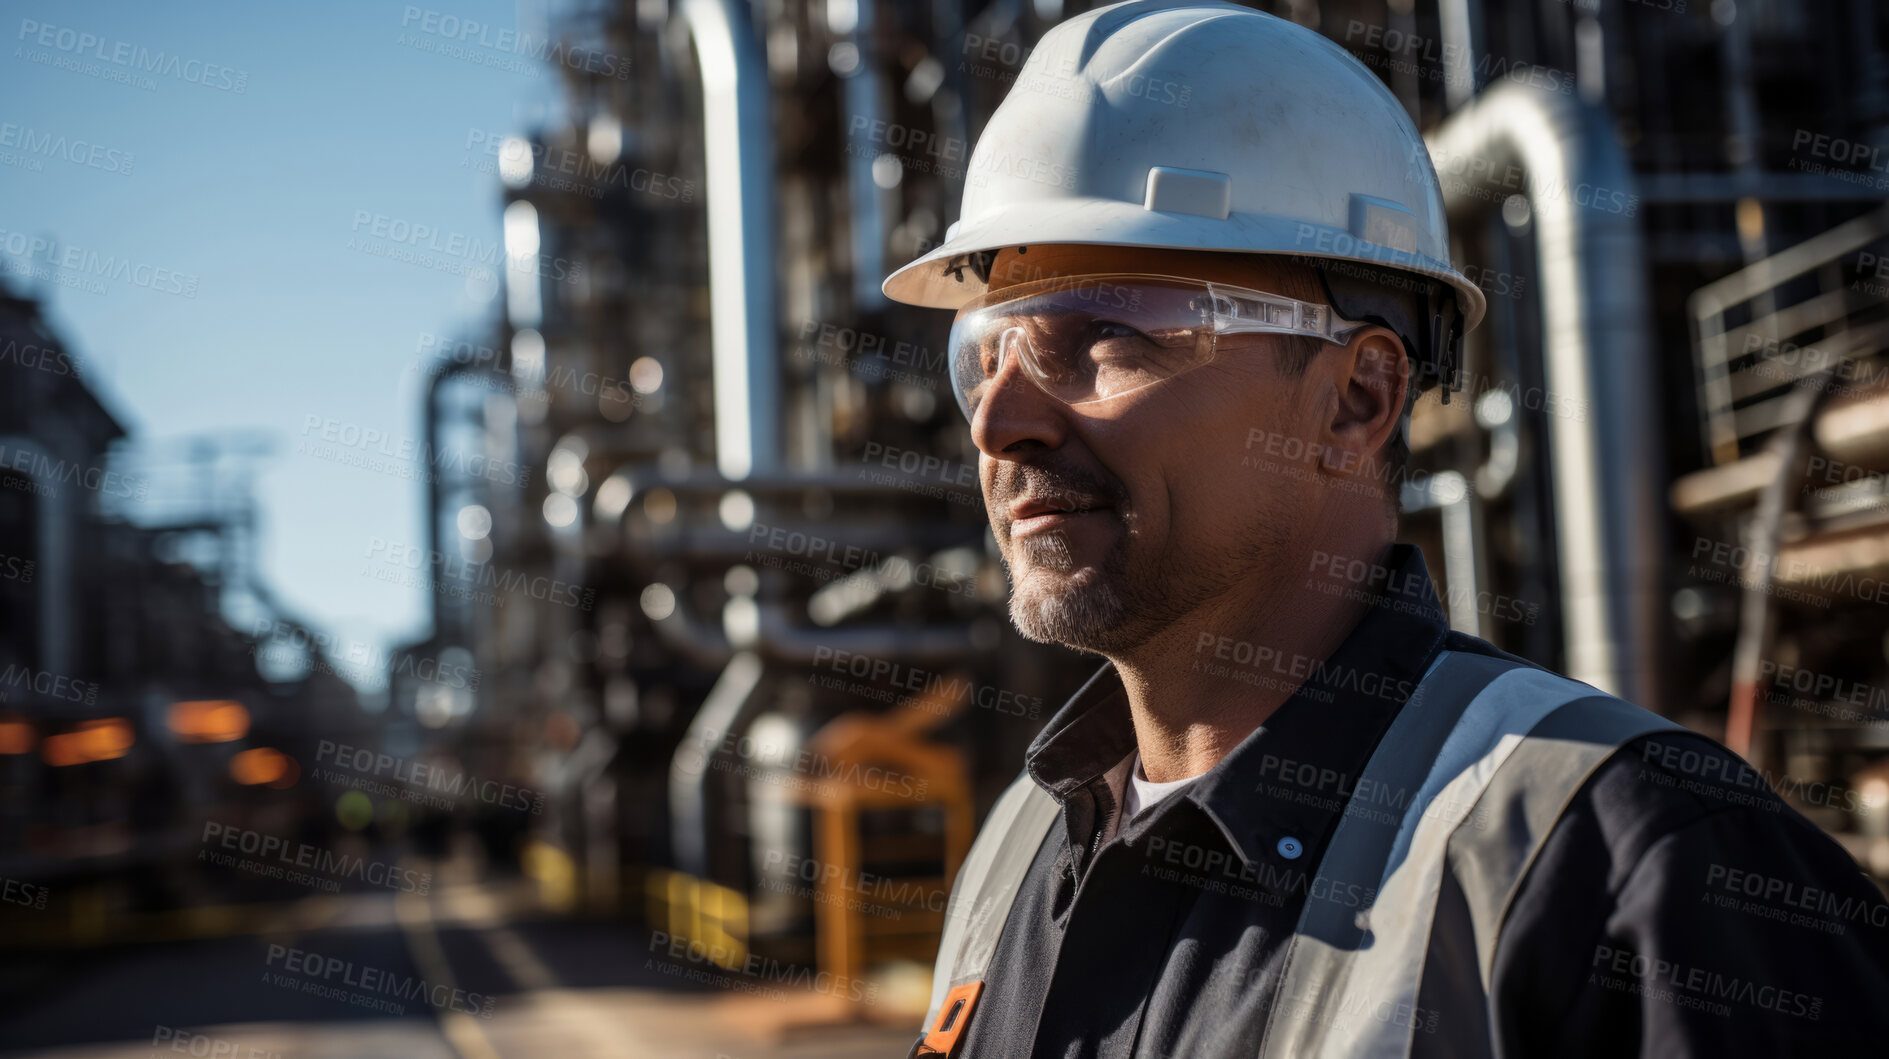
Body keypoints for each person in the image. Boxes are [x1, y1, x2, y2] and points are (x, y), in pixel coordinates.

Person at [880, 2, 1889, 1056]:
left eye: (1106, 334)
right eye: (982, 355)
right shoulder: (1017, 848)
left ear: (1357, 398)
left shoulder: (1636, 871)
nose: (1001, 421)